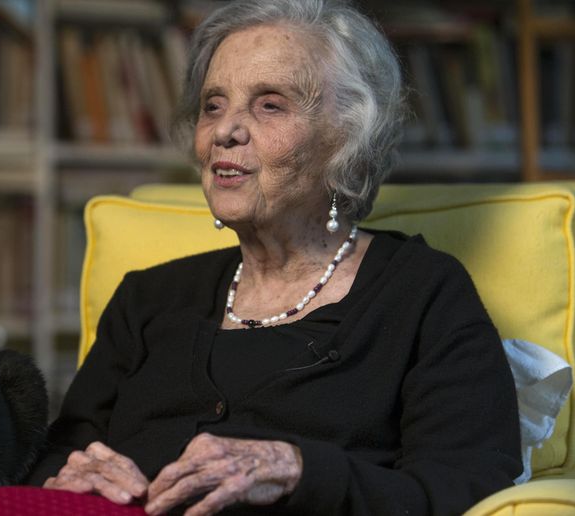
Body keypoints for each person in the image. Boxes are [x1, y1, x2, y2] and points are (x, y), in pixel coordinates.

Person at [26, 0, 522, 514]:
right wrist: (69, 472)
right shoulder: (147, 299)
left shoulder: (423, 294)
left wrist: (299, 470)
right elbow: (59, 453)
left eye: (270, 105)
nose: (225, 131)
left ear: (346, 139)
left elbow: (470, 485)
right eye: (213, 105)